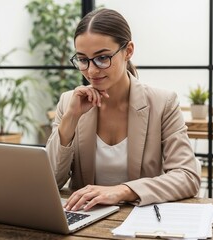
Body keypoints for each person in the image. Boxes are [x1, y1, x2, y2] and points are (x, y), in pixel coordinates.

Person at [46, 8, 200, 212]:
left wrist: (122, 191)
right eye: (83, 60)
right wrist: (70, 119)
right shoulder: (69, 103)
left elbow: (187, 176)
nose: (91, 71)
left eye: (102, 58)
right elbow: (50, 182)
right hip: (85, 220)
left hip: (141, 222)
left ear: (128, 51)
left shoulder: (163, 103)